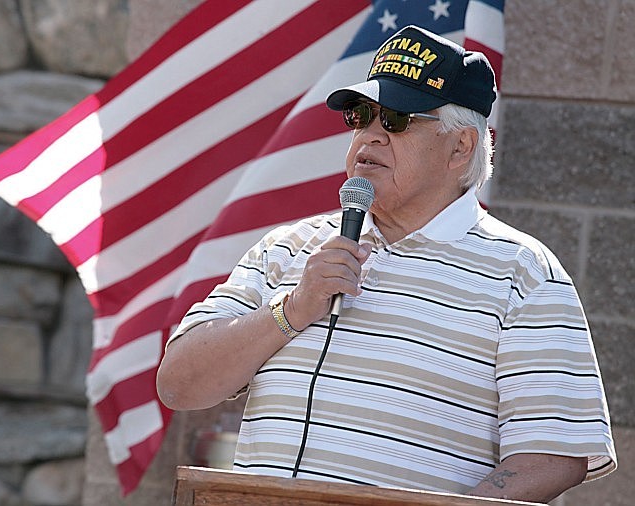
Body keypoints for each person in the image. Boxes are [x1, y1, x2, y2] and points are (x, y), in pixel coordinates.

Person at [156, 25, 616, 503]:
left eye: (395, 120)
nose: (370, 137)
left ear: (460, 147)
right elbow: (178, 384)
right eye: (360, 117)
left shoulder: (526, 274)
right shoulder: (287, 248)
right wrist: (292, 310)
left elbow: (551, 459)